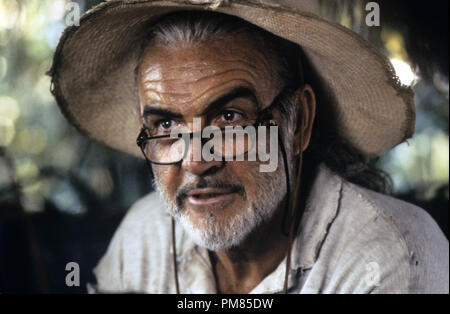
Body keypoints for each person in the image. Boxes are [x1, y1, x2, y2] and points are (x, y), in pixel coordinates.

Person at [49, 0, 449, 293]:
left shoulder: (389, 254)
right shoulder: (143, 236)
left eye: (229, 119)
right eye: (167, 124)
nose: (196, 161)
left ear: (299, 123)